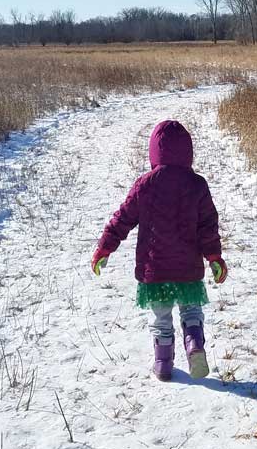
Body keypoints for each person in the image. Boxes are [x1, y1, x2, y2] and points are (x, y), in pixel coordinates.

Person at [91, 119, 228, 381]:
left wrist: (104, 248)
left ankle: (163, 364)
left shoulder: (145, 184)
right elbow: (208, 226)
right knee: (191, 311)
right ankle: (194, 345)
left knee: (161, 318)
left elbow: (123, 219)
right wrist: (214, 257)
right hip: (188, 270)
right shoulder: (197, 185)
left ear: (154, 151)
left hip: (156, 270)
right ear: (188, 151)